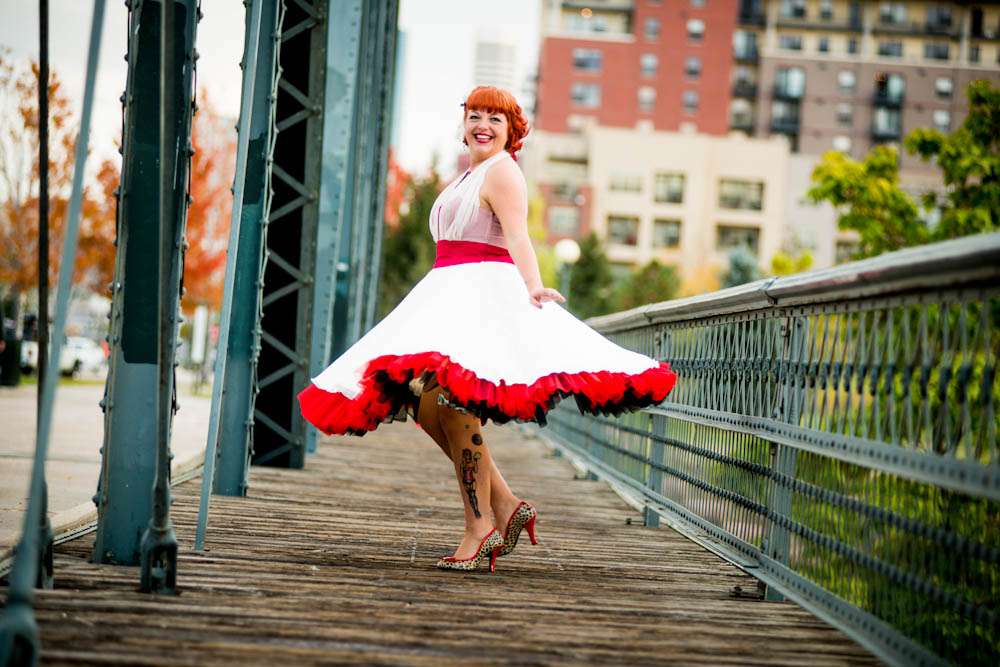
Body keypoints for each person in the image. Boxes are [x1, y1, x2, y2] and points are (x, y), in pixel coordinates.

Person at [298, 85, 677, 573]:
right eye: (475, 115)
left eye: (495, 119)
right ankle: (506, 505)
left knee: (453, 403)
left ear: (511, 130)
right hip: (448, 292)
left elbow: (517, 234)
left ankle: (480, 525)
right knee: (426, 403)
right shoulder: (470, 174)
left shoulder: (502, 172)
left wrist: (534, 286)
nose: (483, 125)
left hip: (481, 295)